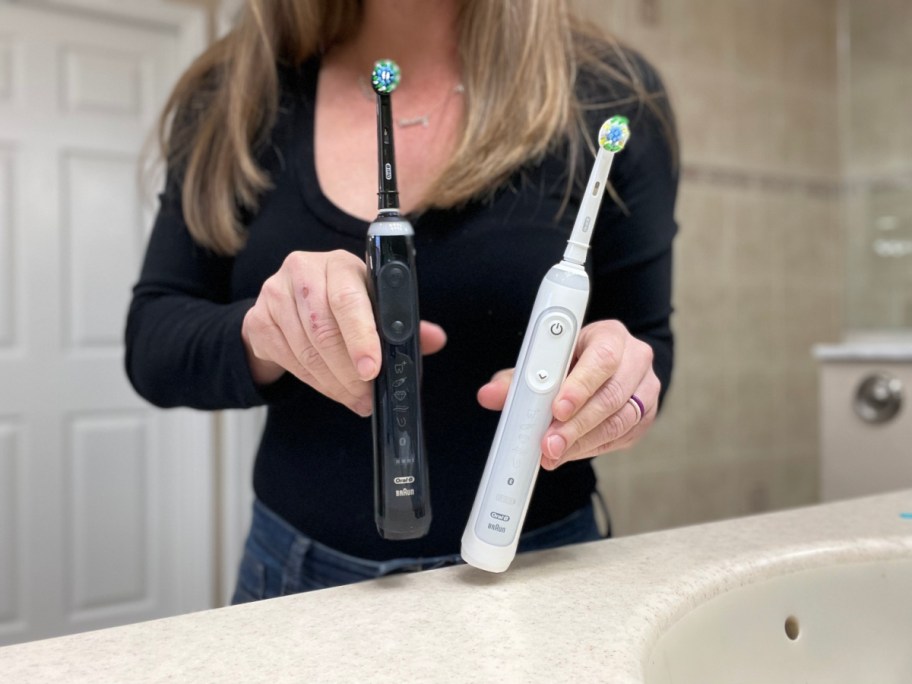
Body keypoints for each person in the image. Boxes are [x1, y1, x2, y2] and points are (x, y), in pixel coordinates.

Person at [125, 0, 678, 602]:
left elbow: (649, 344)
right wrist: (269, 333)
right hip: (297, 583)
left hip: (539, 571)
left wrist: (615, 382)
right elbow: (154, 341)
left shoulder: (611, 93)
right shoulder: (233, 93)